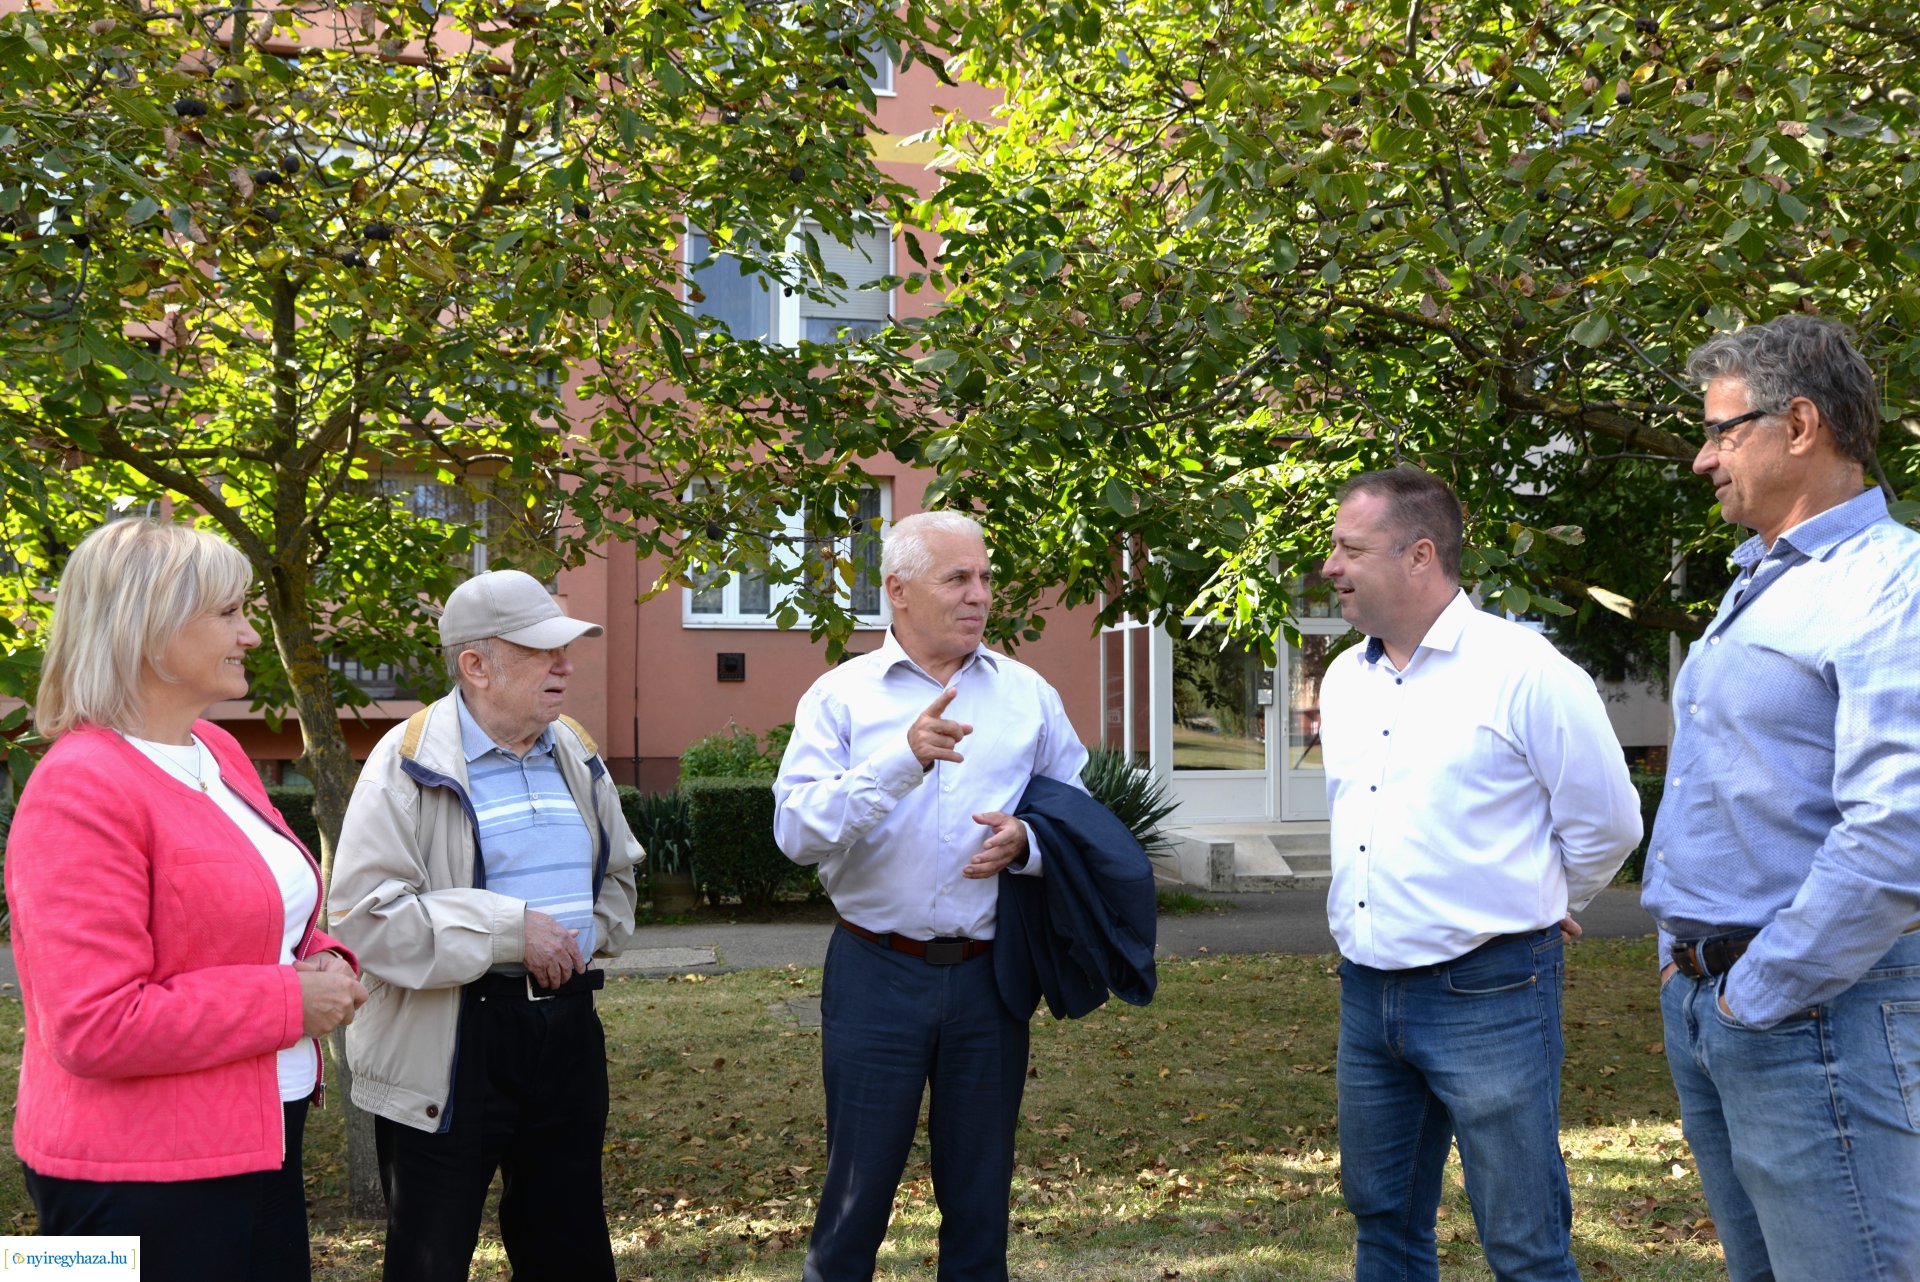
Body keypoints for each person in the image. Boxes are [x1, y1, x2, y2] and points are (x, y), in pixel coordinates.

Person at [6, 518, 366, 1282]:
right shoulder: (78, 786)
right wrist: (287, 1003)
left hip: (261, 1143)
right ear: (148, 628)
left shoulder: (220, 751)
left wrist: (324, 962)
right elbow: (93, 1024)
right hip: (132, 1182)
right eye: (229, 613)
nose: (250, 634)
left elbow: (269, 920)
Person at [1642, 315, 1920, 1282]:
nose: (1701, 458)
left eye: (1722, 431)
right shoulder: (1763, 581)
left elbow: (1898, 831)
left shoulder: (1890, 585)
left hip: (1815, 1011)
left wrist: (1756, 995)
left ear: (1799, 425)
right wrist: (1698, 985)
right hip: (1724, 1002)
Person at [1318, 466, 1642, 1282]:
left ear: (1420, 555)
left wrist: (1550, 901)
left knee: (1524, 1240)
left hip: (1490, 991)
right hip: (1367, 990)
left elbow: (1609, 822)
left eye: (1350, 548)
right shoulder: (1342, 679)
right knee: (1383, 1222)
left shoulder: (1525, 671)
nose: (1330, 565)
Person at [773, 510, 1089, 1282]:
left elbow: (1077, 818)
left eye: (984, 578)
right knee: (855, 1198)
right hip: (876, 973)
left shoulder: (1027, 694)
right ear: (898, 591)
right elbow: (794, 830)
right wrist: (899, 761)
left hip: (990, 979)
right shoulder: (842, 696)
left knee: (981, 1201)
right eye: (958, 578)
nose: (979, 594)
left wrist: (1031, 843)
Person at [327, 569, 641, 1282]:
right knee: (431, 1257)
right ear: (476, 665)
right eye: (541, 649)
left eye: (567, 647)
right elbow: (364, 919)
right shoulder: (404, 765)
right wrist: (509, 933)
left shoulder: (575, 750)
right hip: (451, 1038)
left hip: (566, 1032)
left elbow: (619, 871)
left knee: (569, 1250)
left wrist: (587, 936)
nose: (565, 664)